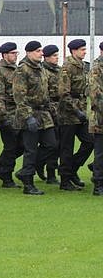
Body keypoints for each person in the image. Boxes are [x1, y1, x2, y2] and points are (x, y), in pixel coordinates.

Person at [13, 40, 57, 195]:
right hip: (29, 114)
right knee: (30, 150)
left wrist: (52, 111)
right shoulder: (22, 70)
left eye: (41, 51)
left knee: (52, 145)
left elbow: (45, 93)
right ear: (29, 53)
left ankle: (26, 171)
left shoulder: (41, 68)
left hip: (43, 114)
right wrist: (27, 116)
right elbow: (19, 96)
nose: (41, 53)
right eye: (38, 51)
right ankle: (28, 184)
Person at [57, 39, 93, 190]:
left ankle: (72, 169)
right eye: (81, 49)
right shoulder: (67, 68)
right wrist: (76, 110)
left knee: (90, 141)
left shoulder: (83, 66)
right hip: (68, 114)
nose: (84, 52)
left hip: (81, 112)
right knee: (67, 147)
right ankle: (65, 180)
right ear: (74, 51)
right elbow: (63, 93)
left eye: (85, 49)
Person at [0, 42, 22, 188]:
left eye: (16, 53)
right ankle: (6, 176)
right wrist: (3, 117)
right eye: (12, 53)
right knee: (11, 146)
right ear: (5, 55)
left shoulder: (17, 70)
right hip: (6, 115)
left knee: (21, 145)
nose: (15, 56)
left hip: (17, 115)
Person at [39, 44, 62, 185]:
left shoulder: (59, 70)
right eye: (54, 56)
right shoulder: (42, 71)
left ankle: (51, 171)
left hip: (60, 110)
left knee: (58, 144)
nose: (56, 58)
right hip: (47, 111)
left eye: (57, 55)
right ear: (46, 57)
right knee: (50, 143)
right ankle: (41, 165)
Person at [88, 42, 103, 195]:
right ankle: (98, 183)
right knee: (100, 153)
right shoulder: (97, 69)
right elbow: (96, 95)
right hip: (100, 118)